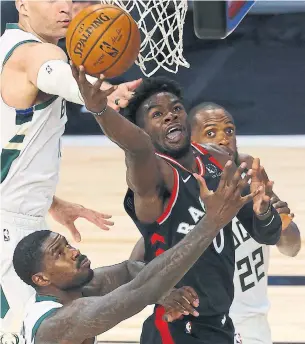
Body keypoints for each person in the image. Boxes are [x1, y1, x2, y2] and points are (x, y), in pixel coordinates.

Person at [72, 71, 282, 343]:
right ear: (143, 130)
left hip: (220, 325)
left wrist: (263, 210)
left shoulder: (218, 159)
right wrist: (101, 110)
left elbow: (269, 235)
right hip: (174, 328)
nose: (170, 115)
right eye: (156, 114)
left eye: (176, 109)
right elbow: (136, 149)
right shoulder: (154, 174)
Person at [0, 0, 141, 334]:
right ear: (22, 4)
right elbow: (53, 73)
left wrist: (51, 201)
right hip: (9, 231)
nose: (64, 7)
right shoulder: (37, 54)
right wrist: (101, 92)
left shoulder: (6, 46)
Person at [14, 159, 259, 344]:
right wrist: (211, 222)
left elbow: (129, 270)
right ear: (41, 279)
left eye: (67, 245)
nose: (74, 251)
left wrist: (162, 292)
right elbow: (137, 292)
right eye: (59, 254)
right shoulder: (57, 323)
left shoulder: (74, 290)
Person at [188, 102, 301, 344]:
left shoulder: (251, 175)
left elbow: (292, 247)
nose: (223, 139)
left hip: (253, 327)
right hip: (204, 327)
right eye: (211, 133)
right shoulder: (183, 188)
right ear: (190, 142)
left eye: (229, 131)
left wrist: (277, 222)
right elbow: (145, 254)